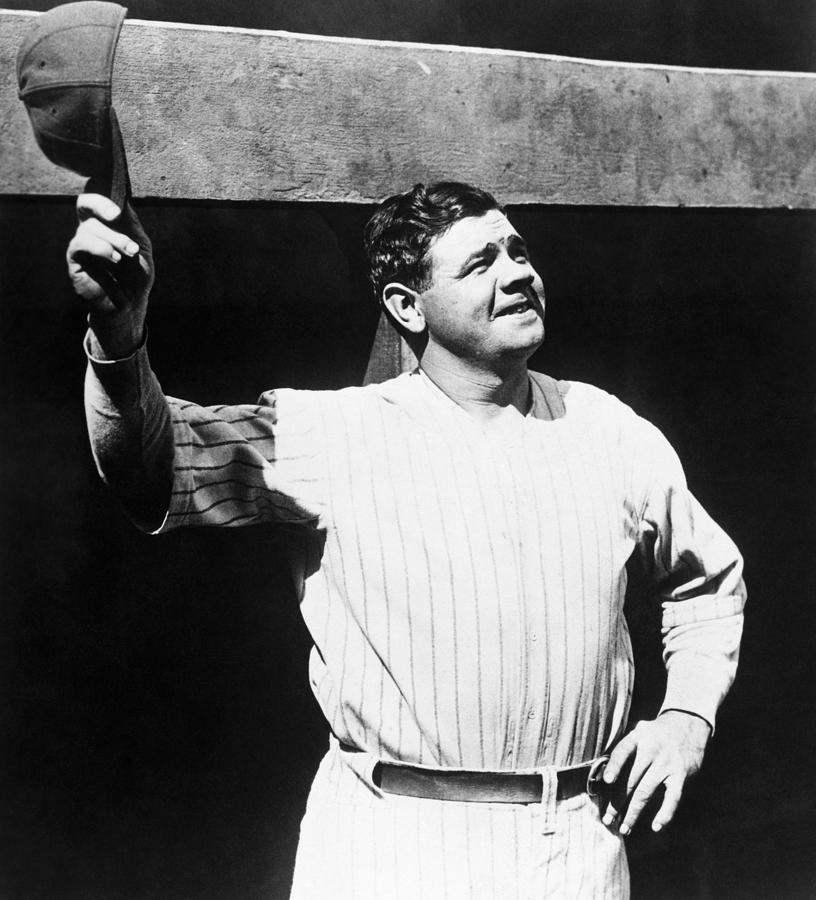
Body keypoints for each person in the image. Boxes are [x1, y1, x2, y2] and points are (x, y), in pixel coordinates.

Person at [67, 181, 745, 899]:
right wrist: (119, 332)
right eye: (480, 262)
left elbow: (707, 582)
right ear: (406, 306)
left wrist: (686, 717)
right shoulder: (332, 435)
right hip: (390, 841)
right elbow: (152, 465)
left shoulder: (610, 431)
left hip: (575, 844)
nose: (518, 272)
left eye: (517, 251)